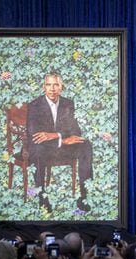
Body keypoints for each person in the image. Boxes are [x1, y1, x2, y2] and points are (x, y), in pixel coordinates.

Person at [27, 72, 93, 212]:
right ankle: (42, 198)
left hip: (60, 145)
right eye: (48, 85)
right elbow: (35, 135)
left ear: (61, 87)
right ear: (43, 87)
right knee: (38, 149)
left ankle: (83, 196)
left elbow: (75, 130)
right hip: (41, 147)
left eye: (56, 85)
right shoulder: (35, 105)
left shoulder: (68, 103)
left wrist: (55, 135)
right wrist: (62, 139)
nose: (52, 89)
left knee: (85, 145)